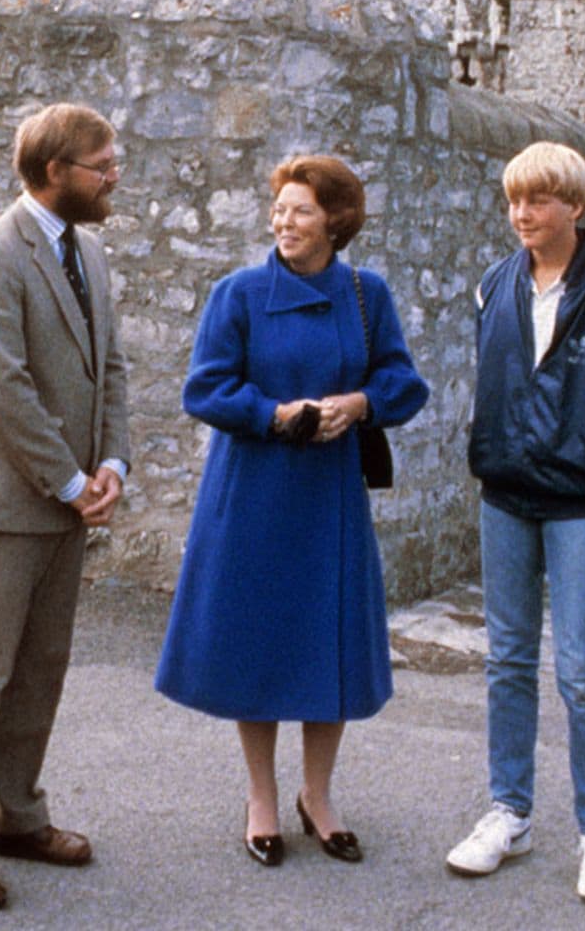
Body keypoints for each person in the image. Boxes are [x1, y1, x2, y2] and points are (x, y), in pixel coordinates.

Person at [155, 154, 428, 868]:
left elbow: (404, 381)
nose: (284, 222)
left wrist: (360, 403)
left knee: (325, 642)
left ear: (336, 221)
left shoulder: (367, 295)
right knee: (258, 641)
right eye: (278, 209)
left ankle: (319, 795)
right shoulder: (238, 294)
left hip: (329, 496)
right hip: (253, 489)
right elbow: (204, 390)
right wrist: (275, 413)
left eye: (300, 210)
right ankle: (261, 799)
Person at [447, 141, 585, 906]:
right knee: (507, 660)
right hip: (506, 495)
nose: (522, 214)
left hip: (583, 503)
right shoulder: (493, 285)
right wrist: (491, 456)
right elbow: (490, 383)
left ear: (574, 207)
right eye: (514, 200)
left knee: (581, 670)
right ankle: (509, 812)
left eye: (539, 201)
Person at [0, 103, 132, 911]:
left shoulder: (91, 248)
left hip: (72, 500)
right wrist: (68, 480)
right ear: (54, 173)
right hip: (10, 500)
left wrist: (111, 463)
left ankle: (17, 814)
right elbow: (2, 385)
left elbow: (110, 367)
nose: (114, 174)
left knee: (42, 670)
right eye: (101, 164)